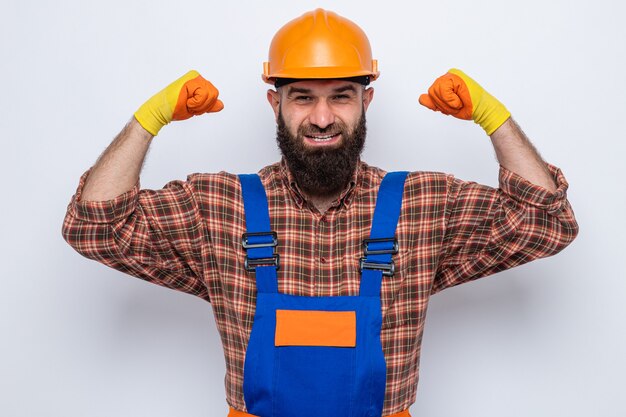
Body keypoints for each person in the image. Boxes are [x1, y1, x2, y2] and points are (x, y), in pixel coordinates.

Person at [62, 8, 578, 417]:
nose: (323, 117)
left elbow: (547, 223)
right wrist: (148, 119)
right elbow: (95, 228)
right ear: (275, 103)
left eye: (342, 97)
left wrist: (495, 118)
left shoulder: (423, 205)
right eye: (303, 97)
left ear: (367, 100)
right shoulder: (218, 207)